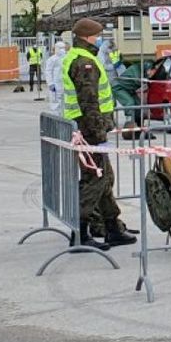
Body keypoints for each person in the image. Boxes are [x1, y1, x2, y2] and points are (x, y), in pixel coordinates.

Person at [63, 18, 137, 250]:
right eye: (97, 35)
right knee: (95, 179)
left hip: (87, 128)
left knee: (104, 178)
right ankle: (80, 233)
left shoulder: (80, 56)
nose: (99, 39)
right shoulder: (84, 62)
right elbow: (89, 101)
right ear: (87, 36)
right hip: (89, 130)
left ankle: (112, 227)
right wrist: (98, 132)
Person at [44, 42, 67, 113]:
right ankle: (56, 118)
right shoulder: (52, 59)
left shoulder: (67, 58)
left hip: (65, 84)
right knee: (55, 104)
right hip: (56, 85)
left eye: (63, 48)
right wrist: (50, 83)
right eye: (60, 48)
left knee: (64, 104)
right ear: (56, 49)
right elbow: (48, 71)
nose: (62, 50)